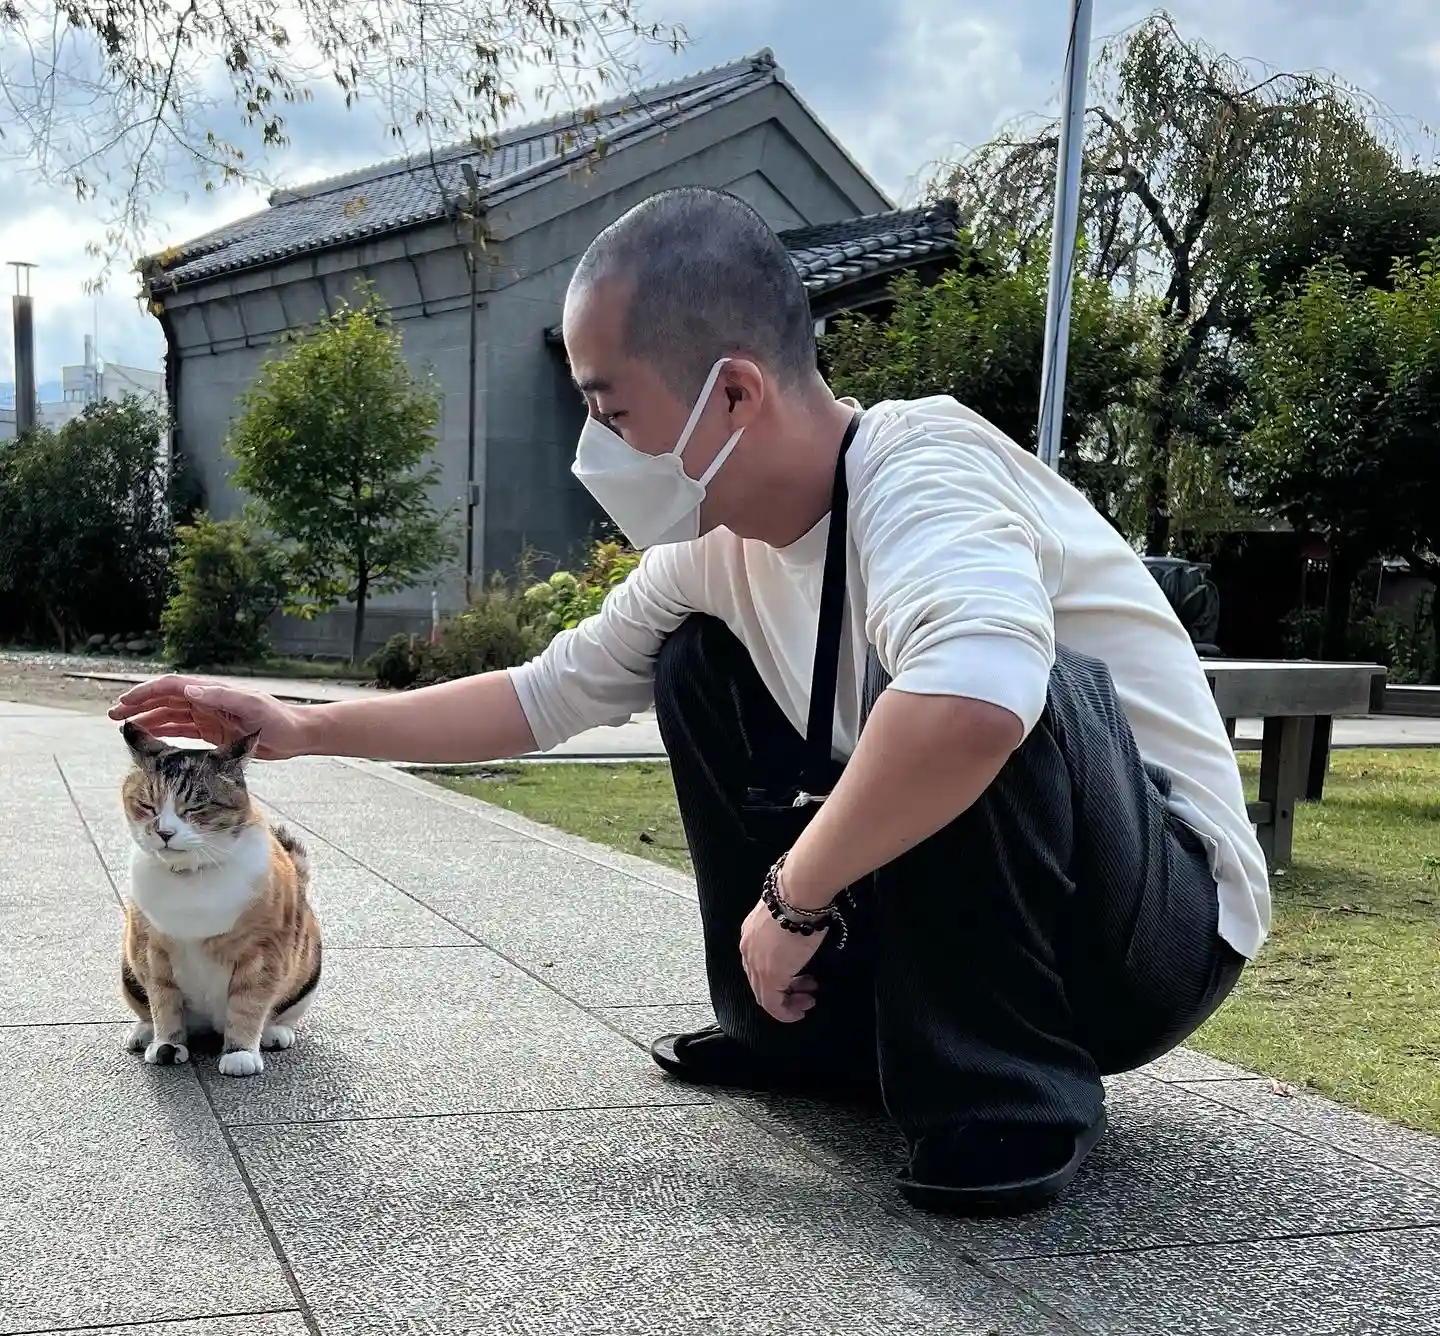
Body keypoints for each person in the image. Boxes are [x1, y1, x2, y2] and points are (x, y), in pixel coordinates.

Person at [110, 185, 1269, 1217]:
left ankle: (1009, 1098)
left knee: (988, 681)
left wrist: (796, 895)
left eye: (612, 410)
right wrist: (302, 726)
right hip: (978, 912)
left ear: (734, 395)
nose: (597, 445)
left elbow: (974, 708)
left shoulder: (924, 471)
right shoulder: (717, 552)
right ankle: (794, 1033)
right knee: (695, 663)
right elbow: (540, 695)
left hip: (1147, 937)